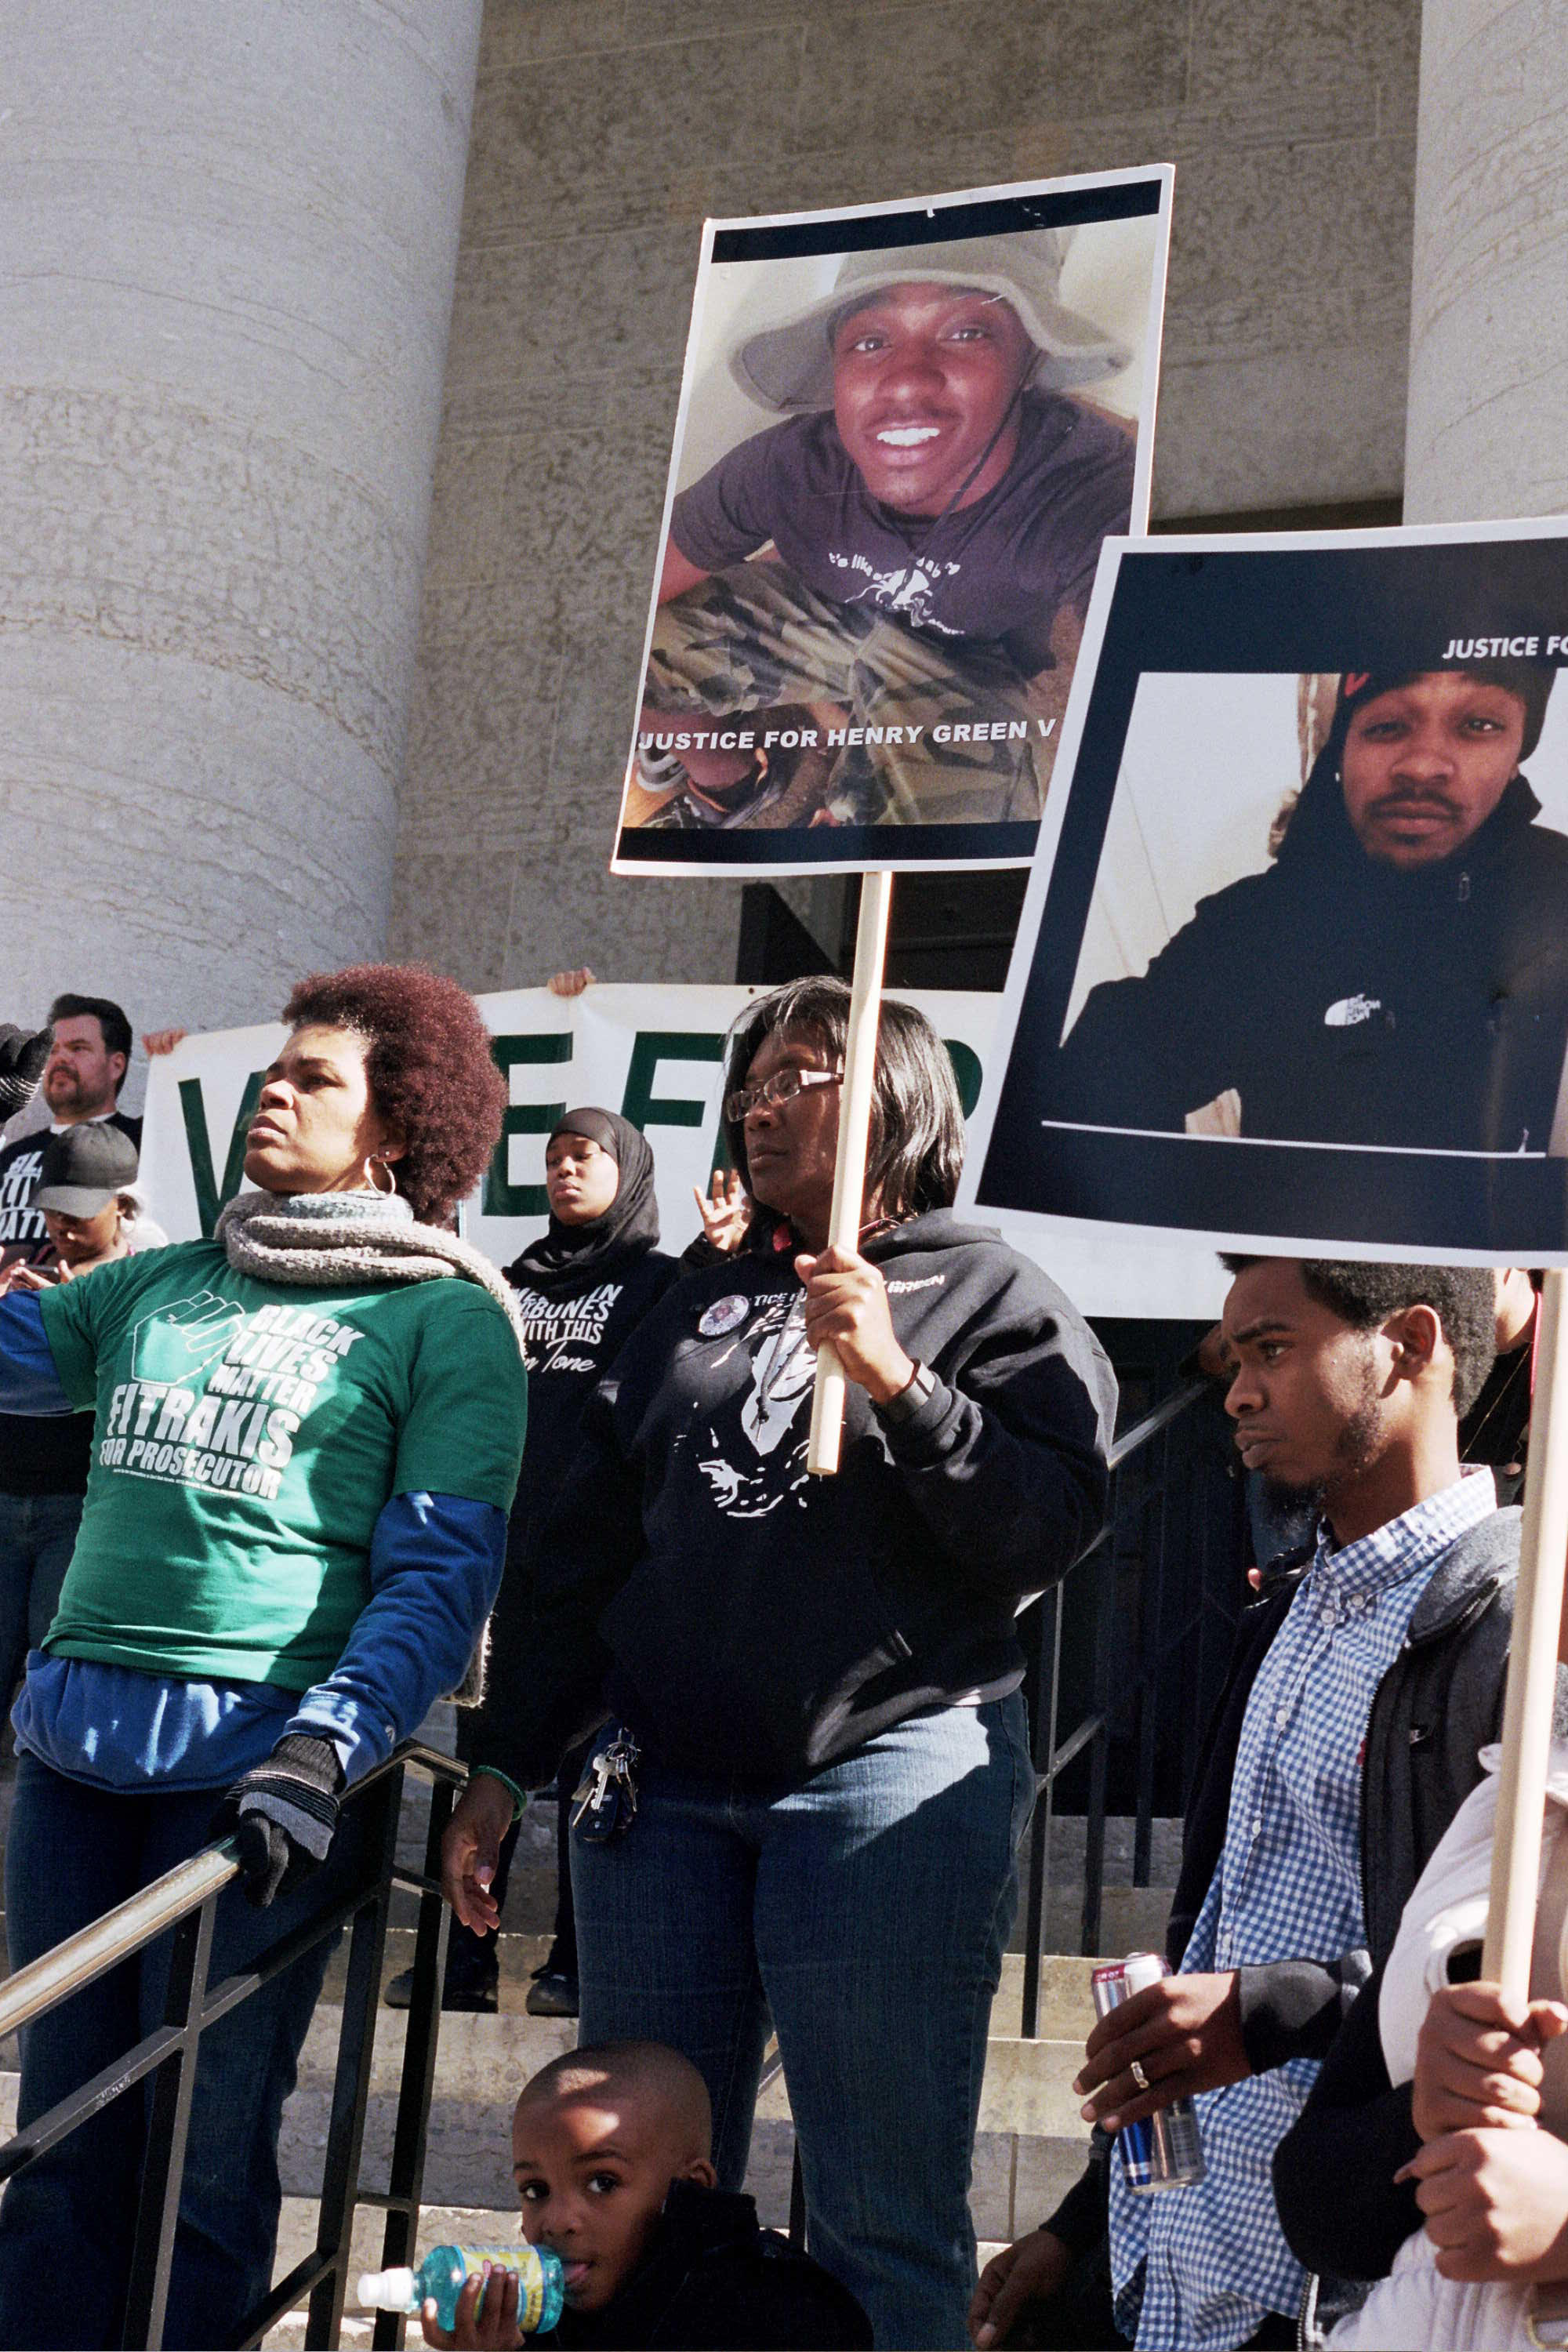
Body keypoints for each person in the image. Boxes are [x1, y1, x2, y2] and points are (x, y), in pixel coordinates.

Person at [444, 973, 1116, 2349]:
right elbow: (579, 1550)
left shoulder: (991, 1291)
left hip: (886, 1770)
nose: (758, 1101)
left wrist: (902, 1387)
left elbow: (1041, 1533)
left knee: (879, 2211)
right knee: (630, 2201)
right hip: (661, 1792)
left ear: (900, 1098)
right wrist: (508, 1758)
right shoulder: (692, 1296)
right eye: (747, 1080)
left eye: (799, 1072)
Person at [0, 963, 528, 2350]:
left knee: (202, 2162)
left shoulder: (448, 1319)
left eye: (316, 1079)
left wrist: (328, 1748)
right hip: (69, 1764)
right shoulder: (154, 1283)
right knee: (54, 2148)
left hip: (261, 1794)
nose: (273, 1094)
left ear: (399, 1126)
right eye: (271, 1072)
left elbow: (439, 1579)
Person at [970, 1257, 1513, 2352]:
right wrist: (1083, 2225)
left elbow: (1501, 1989)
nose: (1237, 1395)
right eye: (1232, 1361)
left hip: (1345, 2289)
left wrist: (1273, 2011)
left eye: (1272, 1350)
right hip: (1164, 2263)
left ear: (1407, 1347)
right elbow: (1215, 1939)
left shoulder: (1507, 1629)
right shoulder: (1285, 1618)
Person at [631, 232, 1134, 832]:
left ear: (1028, 362)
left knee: (944, 849)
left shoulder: (1090, 492)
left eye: (965, 332)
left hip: (970, 658)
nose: (904, 381)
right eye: (872, 341)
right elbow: (633, 599)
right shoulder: (785, 467)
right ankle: (733, 784)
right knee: (634, 663)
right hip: (828, 614)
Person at [387, 1107, 681, 2016]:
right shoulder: (507, 1283)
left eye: (585, 1156)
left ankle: (572, 1961)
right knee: (489, 1756)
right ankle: (464, 1961)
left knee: (594, 1761)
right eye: (553, 1159)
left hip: (603, 1563)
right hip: (506, 1555)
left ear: (627, 1170)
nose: (564, 1172)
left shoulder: (661, 1285)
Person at [1049, 664, 1568, 1151]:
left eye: (1478, 724)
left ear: (1519, 745)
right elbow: (1109, 1069)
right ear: (1341, 747)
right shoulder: (1263, 926)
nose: (1424, 765)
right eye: (1387, 726)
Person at [419, 2040, 871, 2350]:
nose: (556, 2220)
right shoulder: (542, 2325)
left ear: (689, 2189)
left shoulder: (775, 2311)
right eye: (535, 2190)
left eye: (602, 2183)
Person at [0, 1123, 163, 1702]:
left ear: (124, 1207)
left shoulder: (153, 1280)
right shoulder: (27, 1265)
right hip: (6, 1493)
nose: (60, 1224)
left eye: (77, 1211)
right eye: (50, 1209)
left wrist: (75, 1312)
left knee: (57, 1680)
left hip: (80, 1511)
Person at [0, 993, 143, 1272]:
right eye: (53, 1050)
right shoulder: (13, 1151)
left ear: (116, 1065)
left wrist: (178, 1056)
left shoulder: (142, 1140)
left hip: (94, 1301)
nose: (61, 1058)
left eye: (78, 1048)